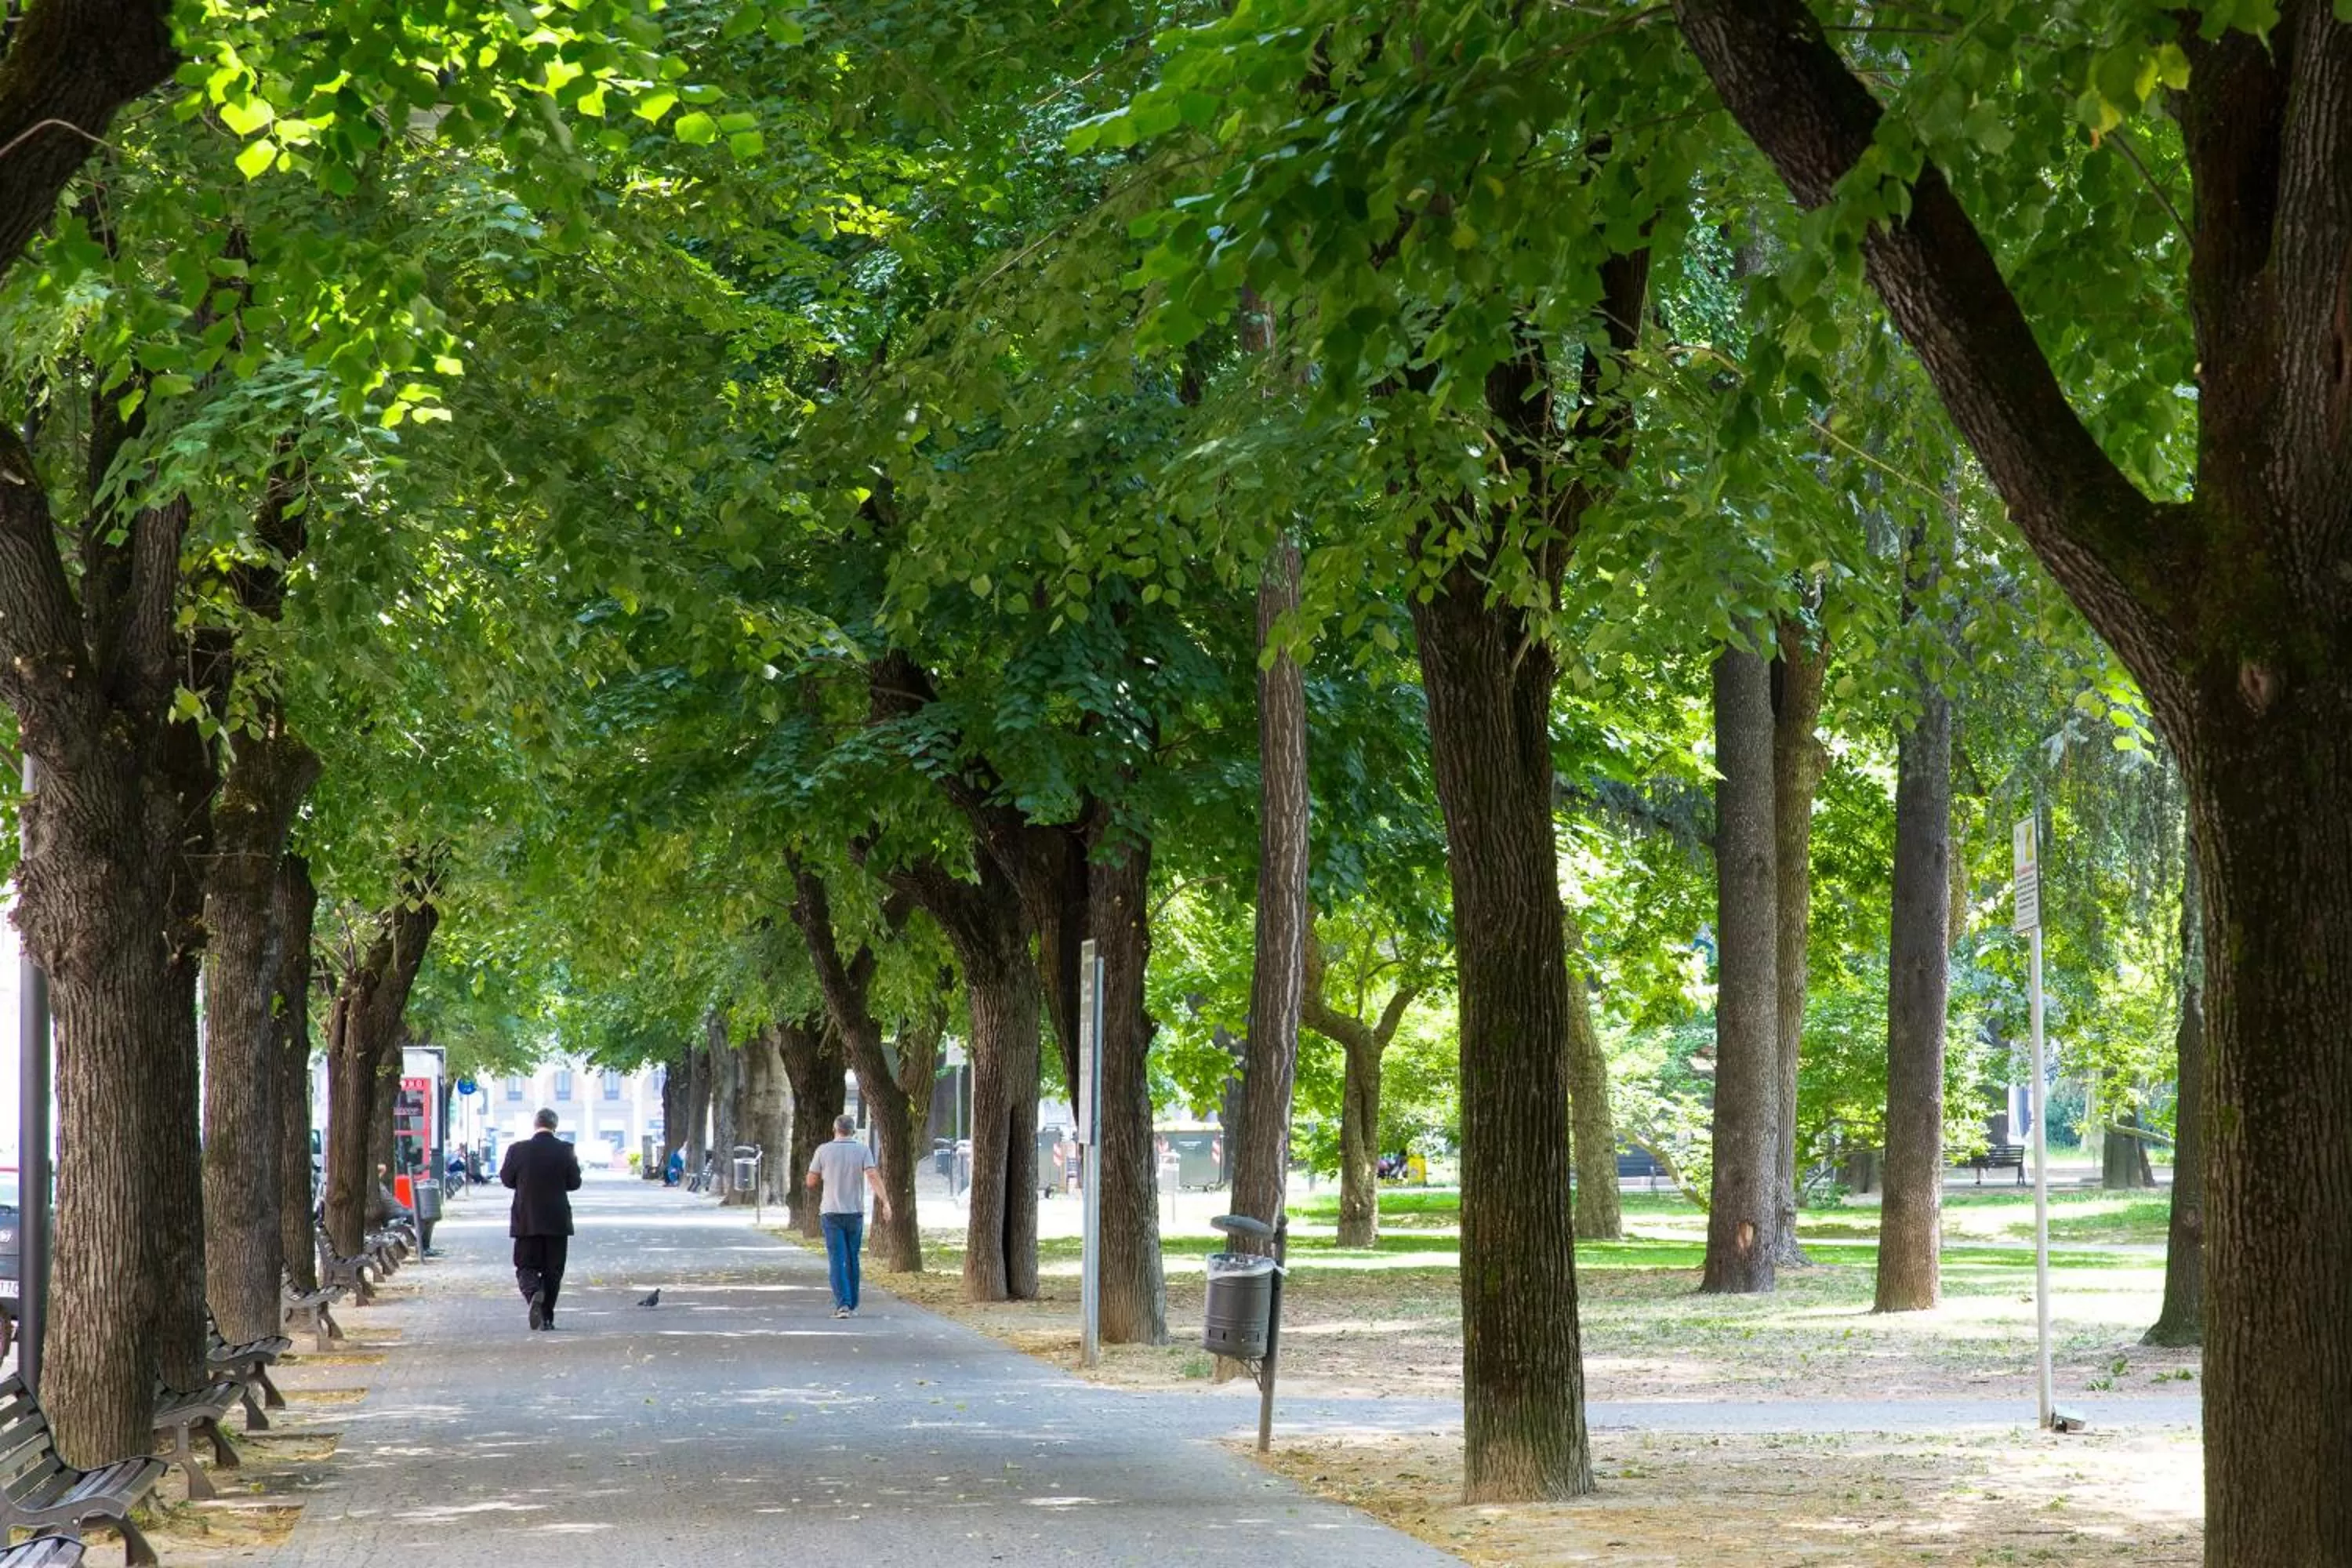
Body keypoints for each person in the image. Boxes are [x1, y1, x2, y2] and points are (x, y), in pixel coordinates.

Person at [500, 1108, 582, 1330]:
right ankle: (547, 1318)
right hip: (557, 1221)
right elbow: (575, 1183)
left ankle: (533, 1292)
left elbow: (507, 1179)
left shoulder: (517, 1149)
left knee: (525, 1266)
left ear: (535, 1125)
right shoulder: (566, 1150)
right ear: (555, 1126)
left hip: (526, 1220)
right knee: (553, 1271)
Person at [805, 1114, 888, 1319]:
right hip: (855, 1211)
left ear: (835, 1129)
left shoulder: (823, 1150)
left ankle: (842, 1305)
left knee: (836, 1259)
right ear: (853, 1131)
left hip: (831, 1211)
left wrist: (825, 1173)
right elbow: (872, 1175)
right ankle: (852, 1304)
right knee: (853, 1258)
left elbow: (811, 1181)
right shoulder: (862, 1150)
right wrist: (885, 1202)